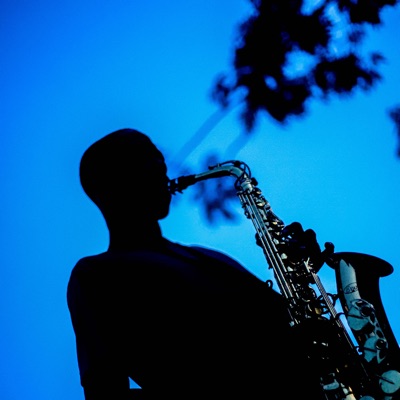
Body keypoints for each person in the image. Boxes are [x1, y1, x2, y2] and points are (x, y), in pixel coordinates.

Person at [67, 128, 326, 399]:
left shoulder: (209, 256)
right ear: (109, 186)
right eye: (145, 160)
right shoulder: (96, 274)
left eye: (160, 160)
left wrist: (302, 269)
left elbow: (285, 316)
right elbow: (104, 389)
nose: (161, 168)